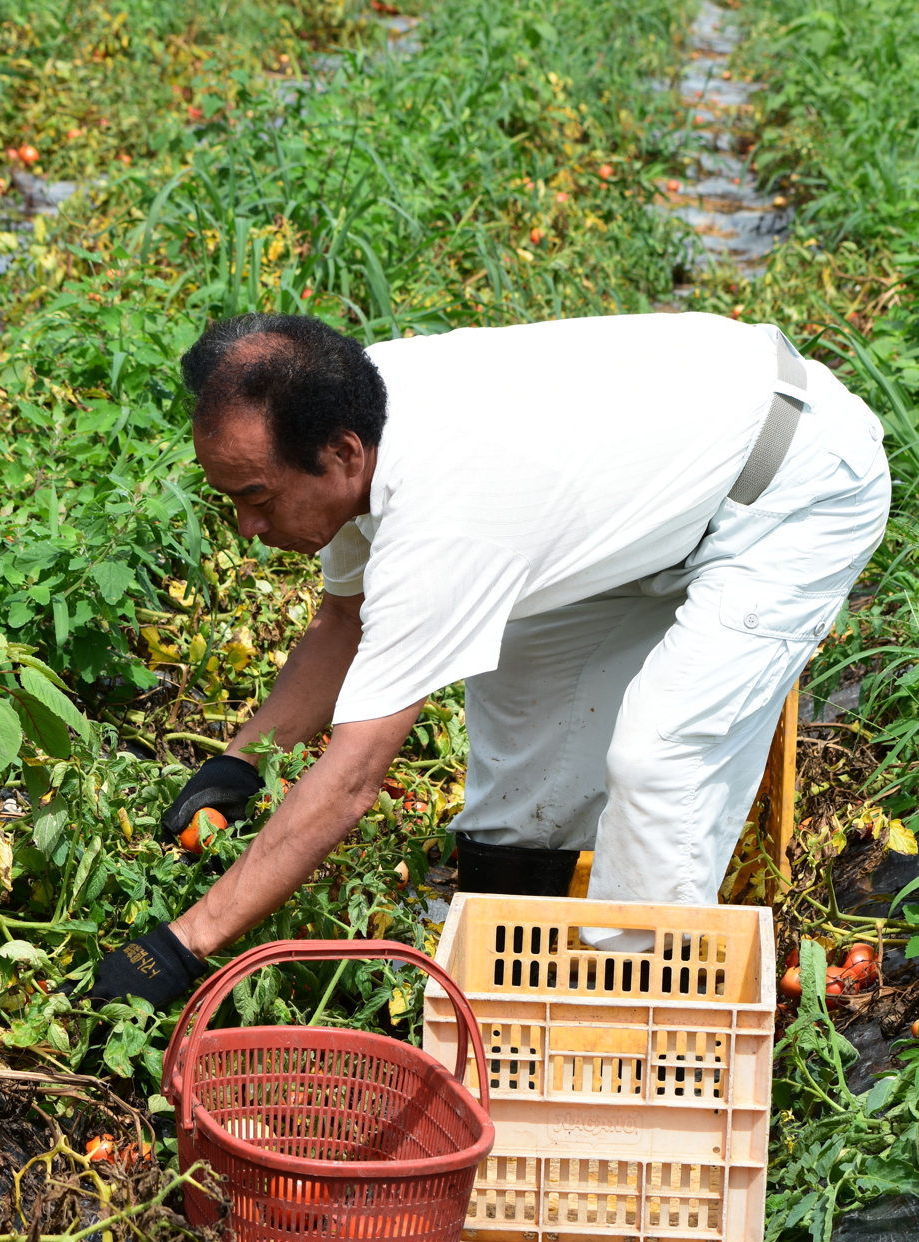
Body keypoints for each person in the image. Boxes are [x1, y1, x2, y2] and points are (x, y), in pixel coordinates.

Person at [85, 310, 890, 1009]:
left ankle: (630, 1028)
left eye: (257, 499)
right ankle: (513, 964)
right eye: (230, 501)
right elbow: (344, 620)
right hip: (662, 491)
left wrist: (185, 943)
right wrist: (240, 764)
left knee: (659, 764)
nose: (246, 529)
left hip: (791, 485)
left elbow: (354, 779)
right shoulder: (354, 406)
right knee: (524, 706)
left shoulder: (445, 515)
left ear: (342, 456)